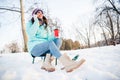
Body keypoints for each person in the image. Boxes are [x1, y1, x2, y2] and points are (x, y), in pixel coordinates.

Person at [26, 8, 85, 72]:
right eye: (38, 12)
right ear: (34, 15)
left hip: (45, 47)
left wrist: (54, 35)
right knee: (50, 43)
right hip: (35, 48)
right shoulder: (30, 23)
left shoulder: (45, 26)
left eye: (41, 12)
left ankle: (47, 62)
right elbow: (31, 34)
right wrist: (36, 21)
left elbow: (48, 39)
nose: (40, 13)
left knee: (58, 40)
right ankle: (67, 63)